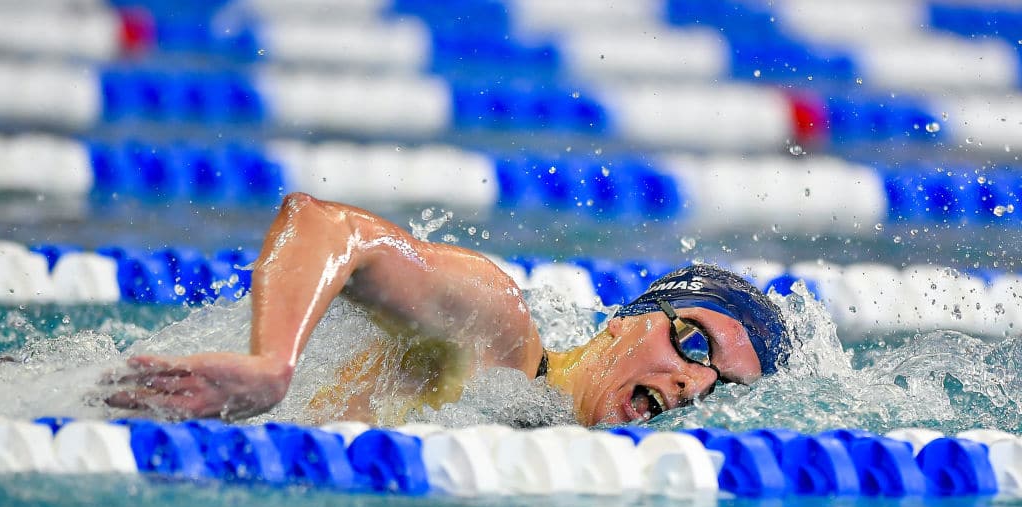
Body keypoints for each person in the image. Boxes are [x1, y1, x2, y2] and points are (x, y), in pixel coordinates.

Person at [106, 192, 791, 426]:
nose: (693, 386)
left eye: (720, 390)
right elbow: (324, 226)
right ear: (627, 318)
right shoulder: (494, 334)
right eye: (697, 347)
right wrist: (270, 363)